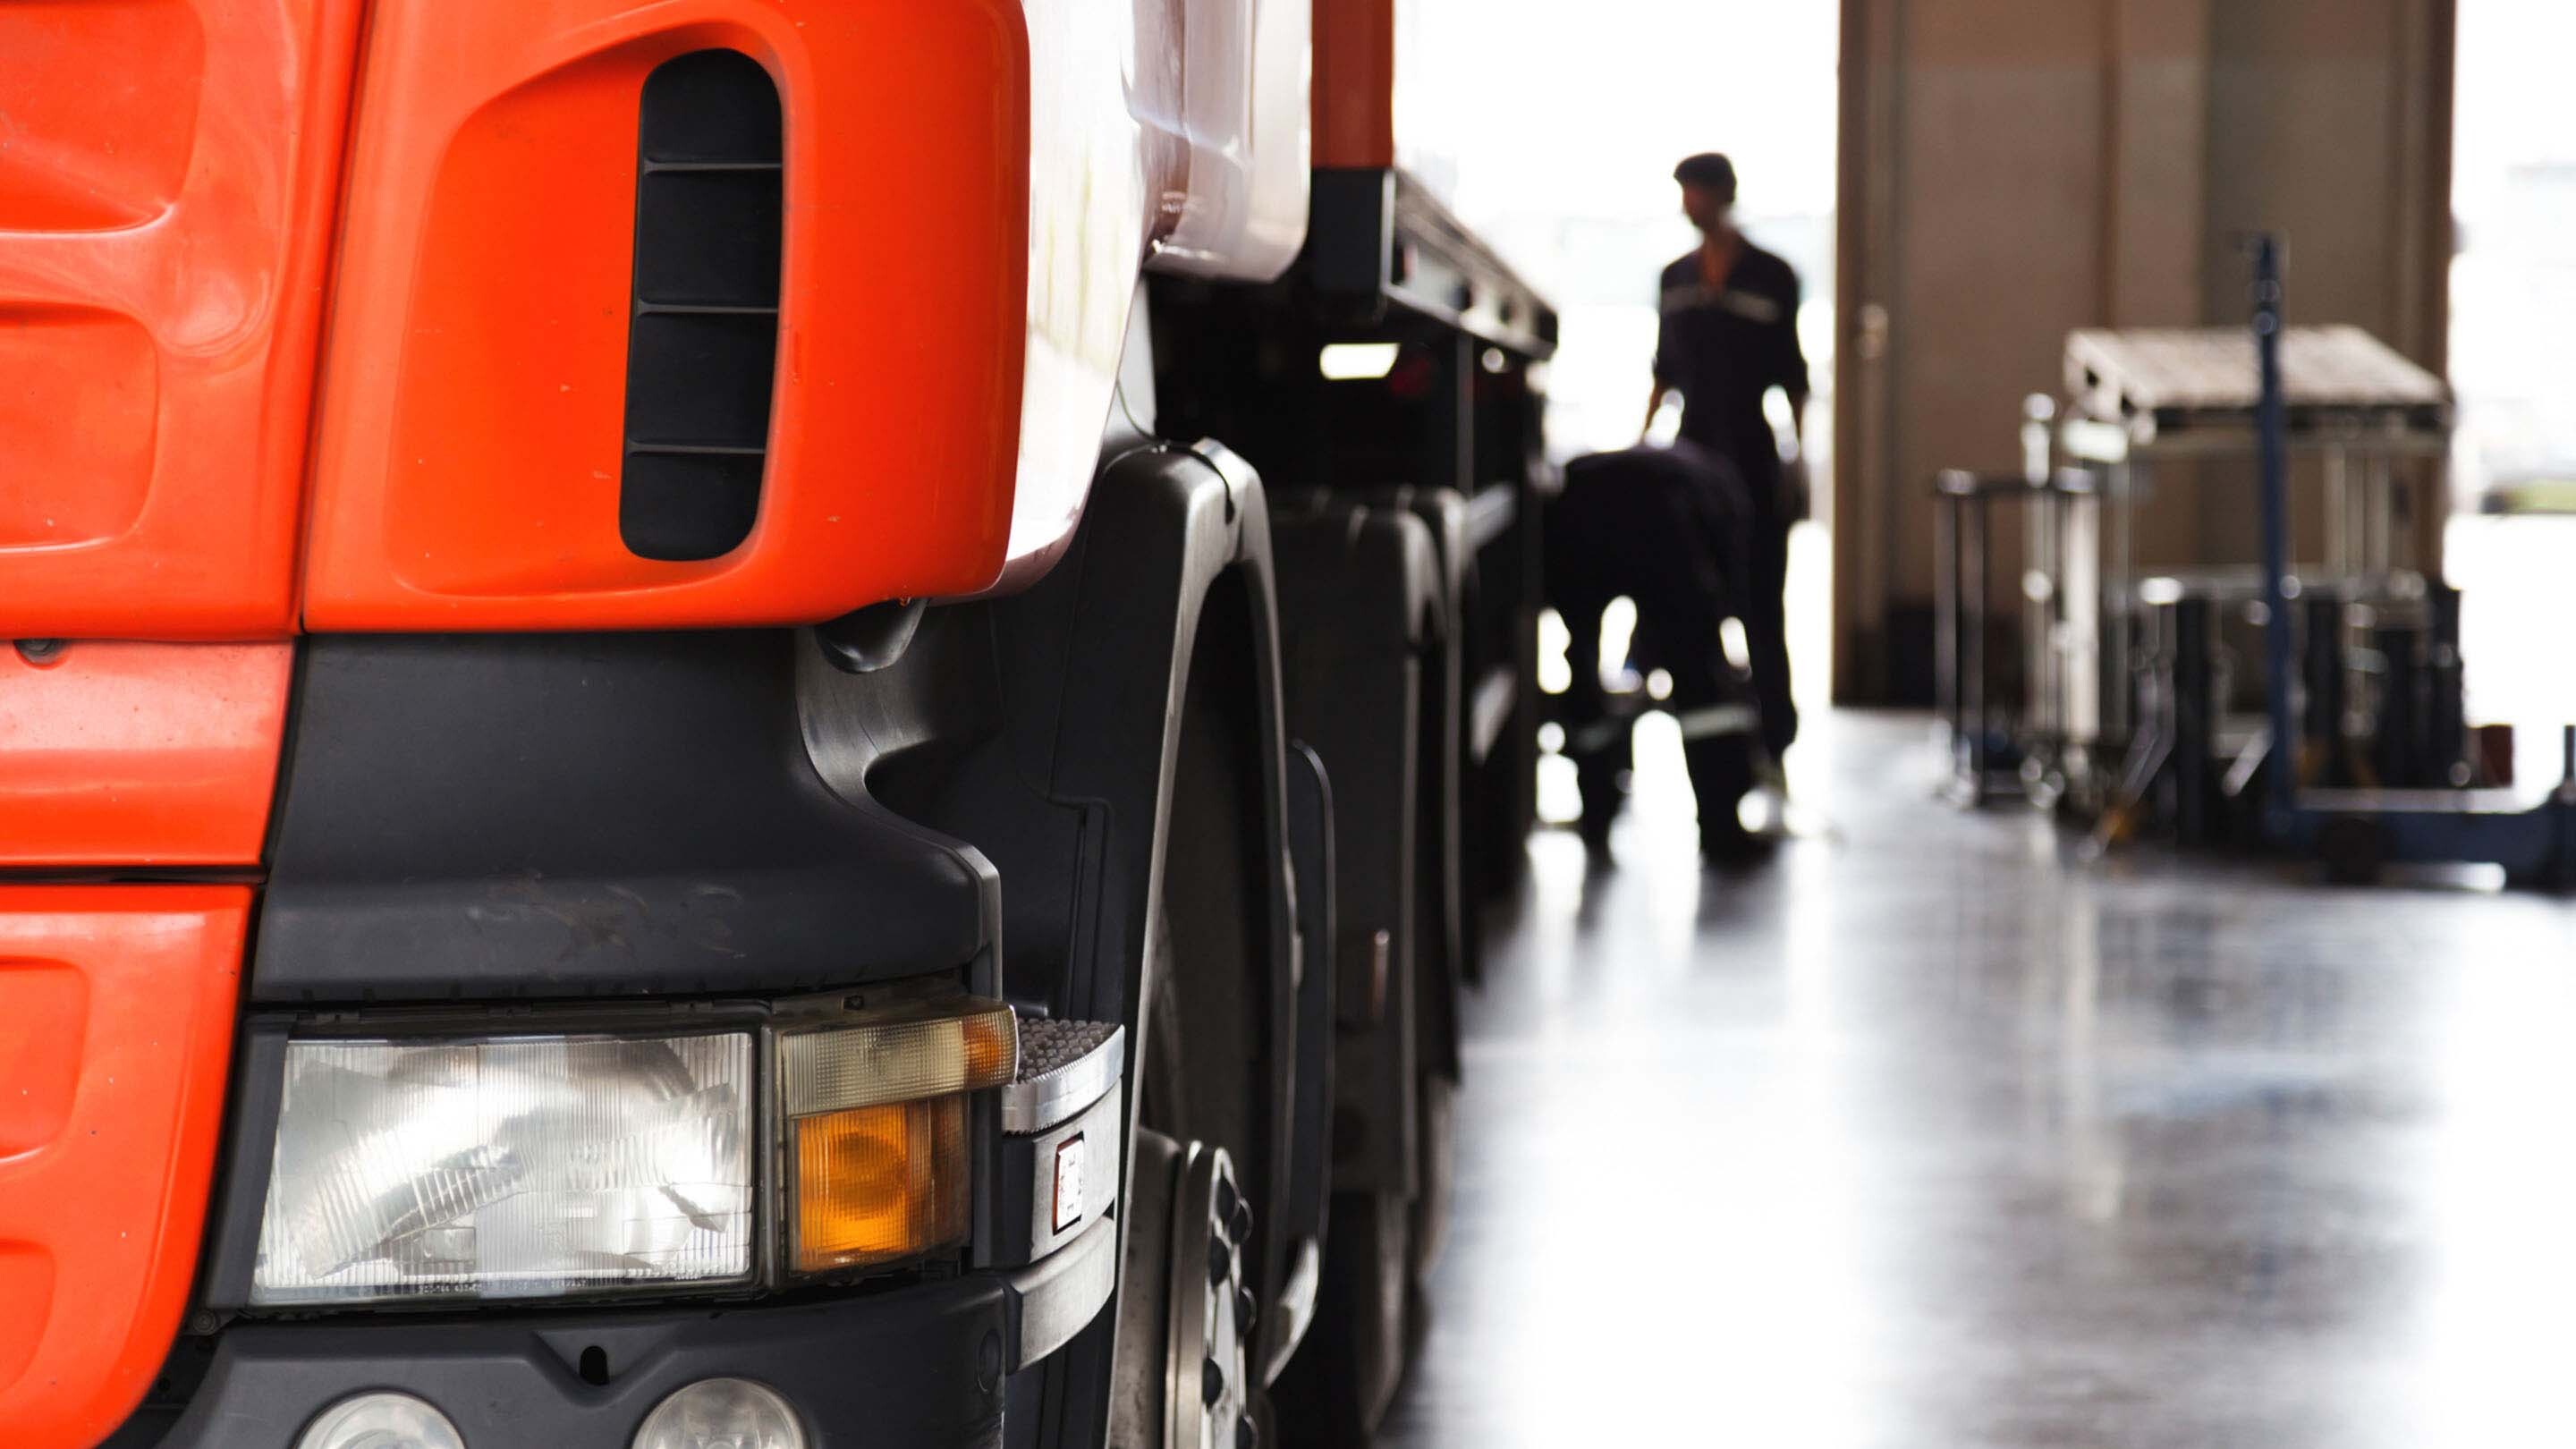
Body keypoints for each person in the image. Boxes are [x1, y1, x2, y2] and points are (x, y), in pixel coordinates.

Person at [1646, 151, 1809, 767]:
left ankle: (1774, 737)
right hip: (1691, 456)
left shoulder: (1773, 276)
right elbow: (1663, 373)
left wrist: (1795, 463)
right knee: (1691, 597)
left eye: (1697, 191)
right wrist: (1644, 449)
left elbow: (1792, 378)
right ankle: (1709, 736)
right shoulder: (1675, 279)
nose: (1690, 203)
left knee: (1762, 598)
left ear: (1721, 194)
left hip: (1750, 454)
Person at [1547, 441, 1768, 864]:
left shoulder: (1697, 473)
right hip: (1664, 523)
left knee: (1582, 662)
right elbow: (1725, 599)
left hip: (1580, 516)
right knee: (1699, 679)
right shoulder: (1727, 499)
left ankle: (1596, 811)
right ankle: (1722, 827)